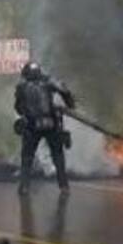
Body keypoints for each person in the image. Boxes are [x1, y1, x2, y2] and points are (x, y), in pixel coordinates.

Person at [14, 61, 76, 197]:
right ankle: (64, 186)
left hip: (32, 125)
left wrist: (25, 111)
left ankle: (24, 186)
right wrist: (70, 103)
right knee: (58, 155)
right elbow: (64, 90)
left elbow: (18, 108)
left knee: (27, 157)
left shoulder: (21, 87)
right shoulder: (48, 81)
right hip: (51, 123)